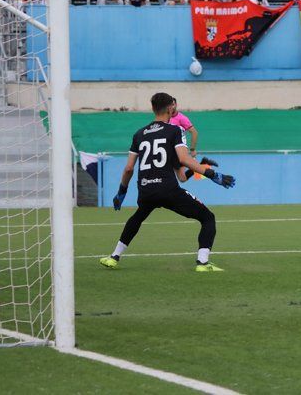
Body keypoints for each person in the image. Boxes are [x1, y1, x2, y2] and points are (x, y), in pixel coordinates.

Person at [99, 92, 235, 272]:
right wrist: (213, 175)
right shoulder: (175, 130)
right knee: (207, 217)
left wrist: (121, 193)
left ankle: (114, 257)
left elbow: (129, 168)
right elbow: (184, 159)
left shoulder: (139, 134)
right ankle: (203, 263)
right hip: (167, 189)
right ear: (171, 107)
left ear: (153, 108)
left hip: (146, 189)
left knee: (138, 217)